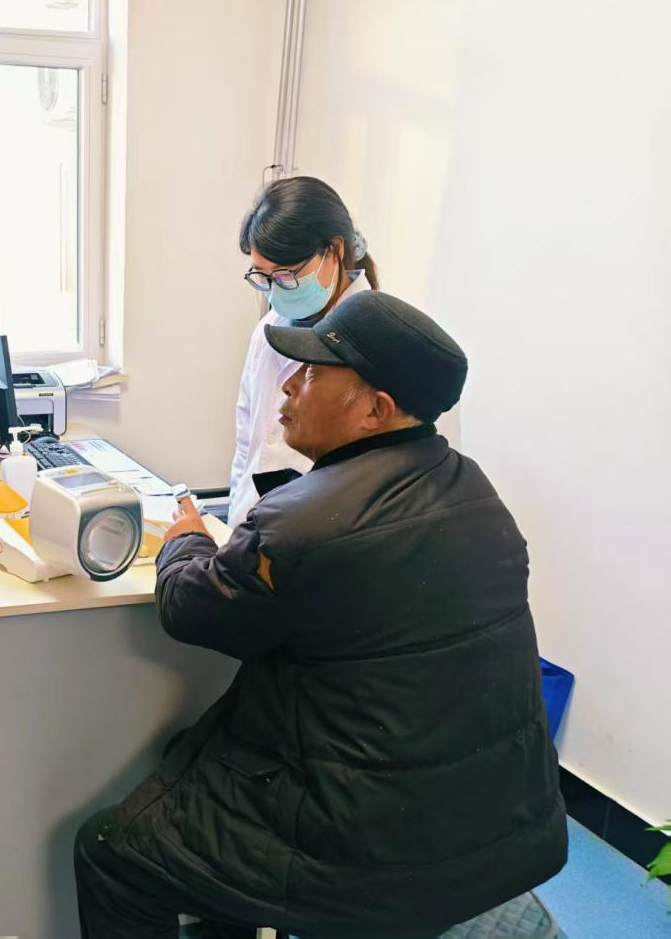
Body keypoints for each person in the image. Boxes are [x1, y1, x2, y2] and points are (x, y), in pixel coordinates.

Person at [74, 291, 567, 939]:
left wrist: (185, 536)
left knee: (109, 852)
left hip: (366, 851)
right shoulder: (473, 489)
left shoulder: (306, 523)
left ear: (375, 410)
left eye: (310, 374)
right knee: (188, 756)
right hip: (499, 824)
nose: (288, 387)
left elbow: (188, 610)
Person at [229, 176, 380, 527]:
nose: (274, 290)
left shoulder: (378, 340)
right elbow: (247, 444)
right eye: (263, 276)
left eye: (286, 275)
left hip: (323, 535)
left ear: (334, 251)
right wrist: (236, 524)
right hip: (255, 530)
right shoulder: (268, 329)